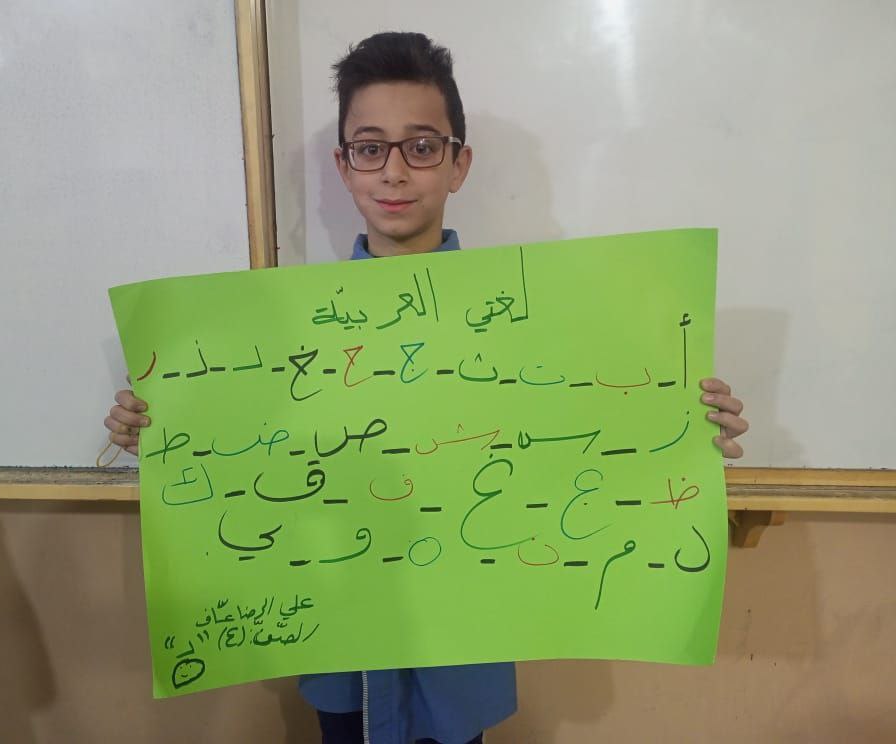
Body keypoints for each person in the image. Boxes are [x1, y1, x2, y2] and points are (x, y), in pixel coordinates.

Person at [104, 31, 749, 744]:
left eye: (421, 146)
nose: (394, 172)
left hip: (462, 647)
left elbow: (584, 442)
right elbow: (250, 451)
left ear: (458, 164)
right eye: (370, 148)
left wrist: (686, 425)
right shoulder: (280, 333)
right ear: (344, 166)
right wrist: (163, 428)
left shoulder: (534, 328)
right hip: (338, 643)